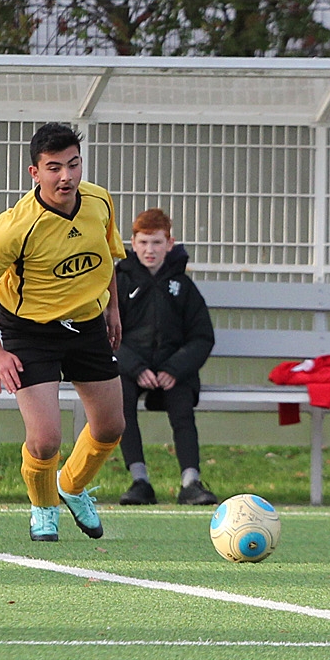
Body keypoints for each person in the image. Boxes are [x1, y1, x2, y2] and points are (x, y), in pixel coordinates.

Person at [0, 123, 127, 542]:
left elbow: (107, 256)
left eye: (73, 165)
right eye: (54, 168)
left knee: (111, 427)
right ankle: (43, 508)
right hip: (31, 333)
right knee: (44, 441)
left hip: (87, 326)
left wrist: (113, 308)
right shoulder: (13, 227)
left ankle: (71, 486)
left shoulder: (99, 201)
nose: (66, 177)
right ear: (34, 172)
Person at [114, 208, 218, 506]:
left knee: (182, 405)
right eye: (143, 242)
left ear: (169, 244)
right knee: (120, 401)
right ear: (133, 243)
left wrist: (175, 368)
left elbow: (202, 337)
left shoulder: (183, 286)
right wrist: (134, 367)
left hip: (173, 370)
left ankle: (191, 482)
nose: (150, 250)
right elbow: (105, 334)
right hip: (132, 368)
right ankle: (140, 481)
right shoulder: (120, 282)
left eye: (157, 242)